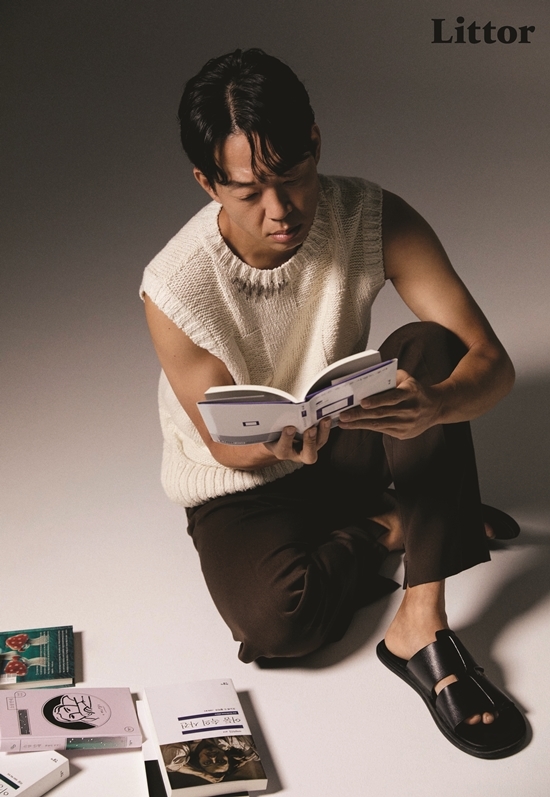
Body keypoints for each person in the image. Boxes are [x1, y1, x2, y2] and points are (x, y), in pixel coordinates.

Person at [140, 48, 526, 758]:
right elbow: (222, 444)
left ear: (315, 143)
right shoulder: (174, 286)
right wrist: (274, 444)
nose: (280, 209)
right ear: (207, 182)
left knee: (430, 349)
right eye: (248, 191)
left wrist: (438, 403)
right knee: (278, 625)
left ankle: (421, 624)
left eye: (292, 175)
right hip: (241, 481)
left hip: (347, 433)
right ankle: (397, 521)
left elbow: (490, 363)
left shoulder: (371, 216)